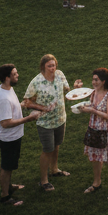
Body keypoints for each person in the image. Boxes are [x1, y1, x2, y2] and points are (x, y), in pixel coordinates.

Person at [22, 54, 81, 191]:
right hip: (45, 123)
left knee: (56, 145)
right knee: (47, 150)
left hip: (60, 118)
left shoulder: (60, 75)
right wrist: (43, 108)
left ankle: (54, 170)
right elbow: (26, 102)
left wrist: (75, 87)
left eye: (53, 65)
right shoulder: (36, 82)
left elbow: (67, 93)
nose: (52, 68)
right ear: (43, 67)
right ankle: (44, 181)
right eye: (49, 66)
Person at [0, 64, 44, 206]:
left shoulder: (7, 89)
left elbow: (11, 108)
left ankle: (9, 186)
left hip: (13, 136)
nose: (18, 75)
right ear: (7, 78)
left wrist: (22, 104)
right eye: (15, 74)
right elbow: (5, 123)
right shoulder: (4, 98)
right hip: (8, 138)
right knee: (7, 166)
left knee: (10, 165)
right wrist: (29, 118)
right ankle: (5, 197)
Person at [79, 68, 108, 198]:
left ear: (104, 81)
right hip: (94, 128)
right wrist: (84, 108)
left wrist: (92, 111)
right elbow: (90, 105)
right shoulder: (94, 93)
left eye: (96, 80)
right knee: (95, 156)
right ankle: (96, 183)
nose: (93, 82)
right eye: (93, 79)